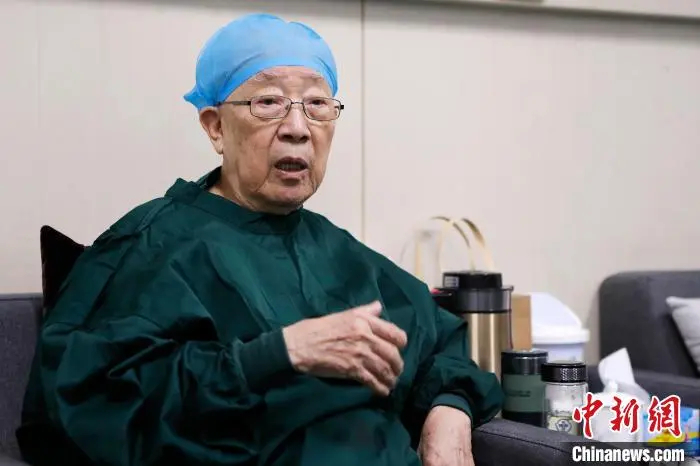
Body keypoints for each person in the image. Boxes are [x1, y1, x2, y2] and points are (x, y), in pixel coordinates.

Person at [16, 13, 503, 466]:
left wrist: (450, 410)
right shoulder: (153, 245)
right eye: (268, 103)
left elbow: (441, 342)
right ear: (215, 127)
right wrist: (277, 354)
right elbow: (91, 399)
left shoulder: (342, 254)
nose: (298, 129)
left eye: (317, 105)